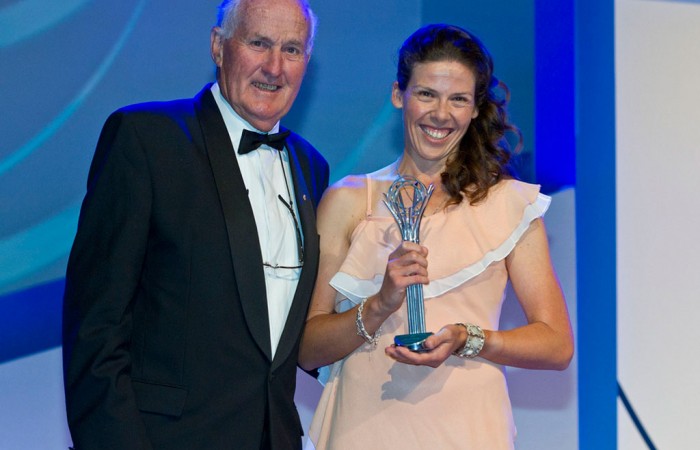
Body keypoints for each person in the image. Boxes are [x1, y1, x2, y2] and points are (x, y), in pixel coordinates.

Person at [62, 0, 328, 449]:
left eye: (292, 49)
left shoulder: (311, 167)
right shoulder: (146, 139)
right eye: (258, 43)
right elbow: (95, 329)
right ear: (218, 46)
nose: (274, 67)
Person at [298, 24, 573, 449]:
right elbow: (308, 349)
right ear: (398, 95)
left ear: (476, 109)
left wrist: (469, 338)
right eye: (426, 94)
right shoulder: (348, 200)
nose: (441, 113)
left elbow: (556, 344)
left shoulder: (508, 205)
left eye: (458, 99)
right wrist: (378, 305)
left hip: (467, 429)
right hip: (362, 430)